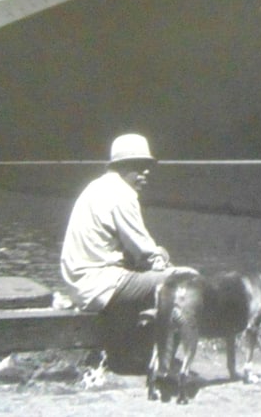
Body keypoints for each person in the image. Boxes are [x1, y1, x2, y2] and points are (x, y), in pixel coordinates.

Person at [60, 133, 175, 373]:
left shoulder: (97, 186)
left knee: (154, 280)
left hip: (81, 283)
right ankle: (153, 357)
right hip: (99, 285)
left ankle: (136, 349)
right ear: (122, 167)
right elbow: (146, 254)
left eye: (148, 167)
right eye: (139, 167)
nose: (146, 173)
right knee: (183, 279)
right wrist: (162, 255)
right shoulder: (123, 195)